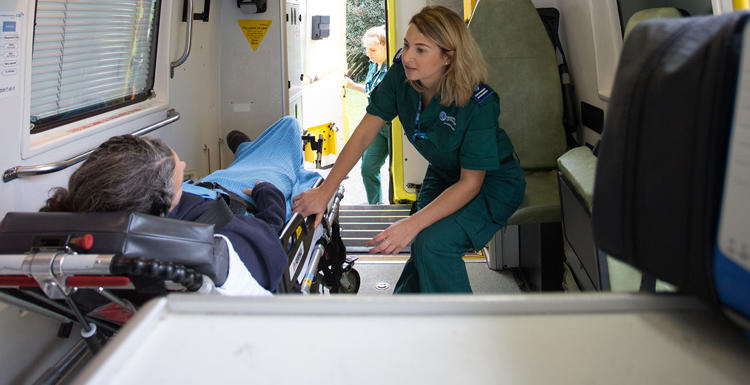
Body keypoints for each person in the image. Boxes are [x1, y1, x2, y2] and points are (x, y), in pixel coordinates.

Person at [293, 6, 525, 293]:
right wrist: (325, 191)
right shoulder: (400, 79)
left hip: (492, 181)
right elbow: (365, 132)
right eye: (405, 45)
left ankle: (462, 329)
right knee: (422, 241)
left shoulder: (478, 103)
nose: (408, 56)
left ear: (447, 57)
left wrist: (412, 224)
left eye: (421, 49)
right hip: (443, 173)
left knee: (433, 242)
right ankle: (405, 312)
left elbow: (470, 184)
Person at [41, 116, 320, 294]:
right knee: (288, 127)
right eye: (178, 172)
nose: (184, 164)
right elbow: (270, 233)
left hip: (211, 187)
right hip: (243, 191)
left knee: (270, 151)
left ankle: (248, 150)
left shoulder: (116, 211)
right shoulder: (218, 246)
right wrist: (267, 193)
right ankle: (248, 149)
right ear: (164, 198)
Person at [345, 25, 390, 204]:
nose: (368, 53)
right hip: (376, 127)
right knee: (368, 168)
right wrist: (353, 86)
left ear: (385, 46)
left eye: (373, 49)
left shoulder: (392, 70)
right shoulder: (373, 65)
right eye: (367, 49)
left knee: (398, 171)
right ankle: (376, 205)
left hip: (392, 127)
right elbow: (372, 91)